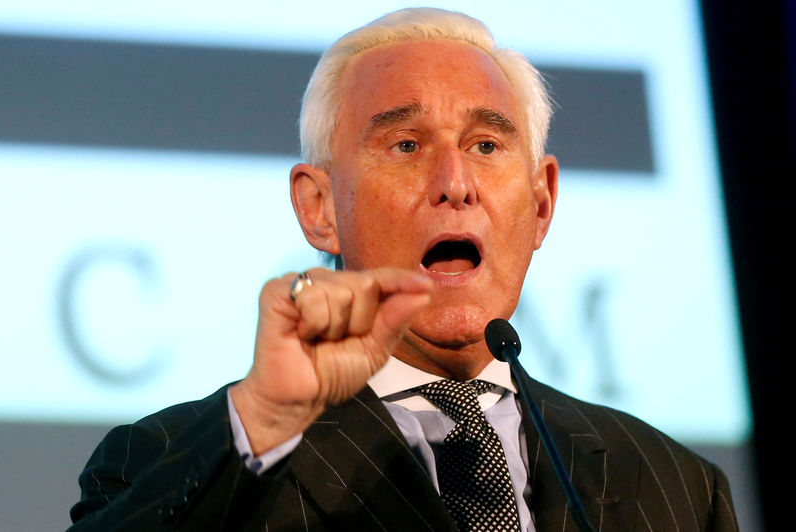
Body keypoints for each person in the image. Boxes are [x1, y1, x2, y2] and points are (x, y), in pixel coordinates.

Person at [69, 8, 738, 531]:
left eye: (485, 144)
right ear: (320, 206)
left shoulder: (675, 487)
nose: (455, 183)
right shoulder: (172, 463)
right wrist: (268, 419)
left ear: (540, 204)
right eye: (406, 144)